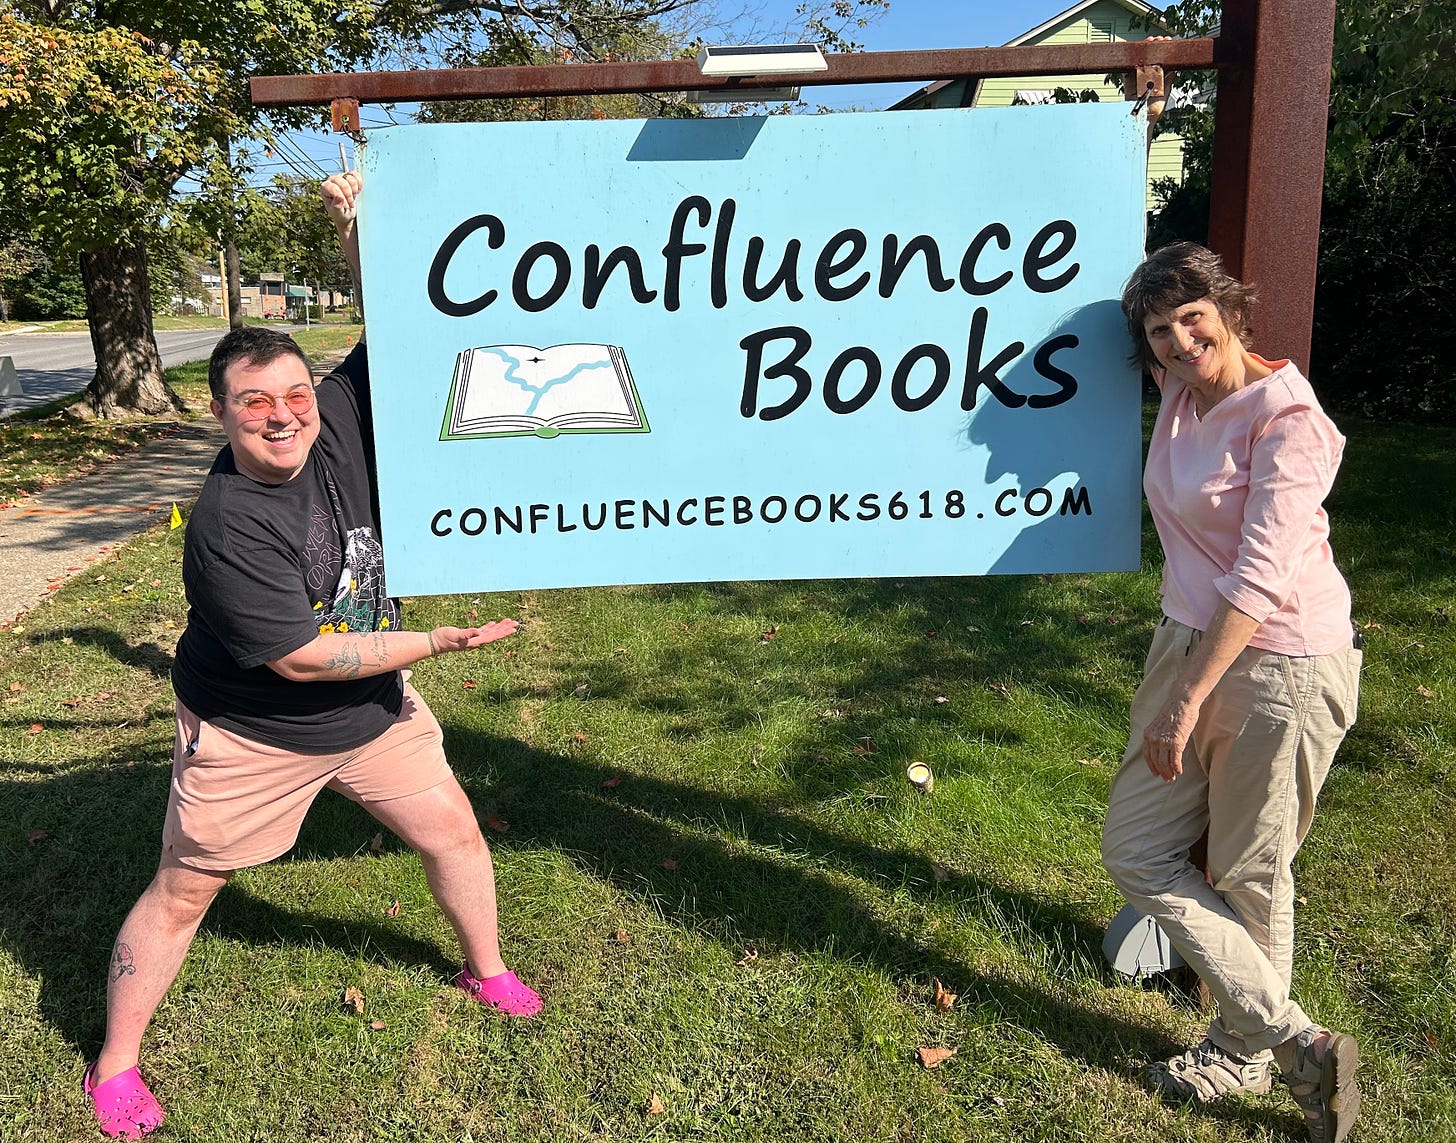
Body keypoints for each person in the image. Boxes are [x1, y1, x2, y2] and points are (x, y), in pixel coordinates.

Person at [83, 171, 540, 1140]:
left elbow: (407, 321)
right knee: (182, 892)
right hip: (254, 732)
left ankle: (486, 968)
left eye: (295, 393)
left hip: (374, 717)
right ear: (222, 414)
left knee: (453, 834)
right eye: (255, 404)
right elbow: (297, 660)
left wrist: (355, 230)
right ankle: (114, 1064)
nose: (284, 415)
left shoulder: (335, 420)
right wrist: (435, 642)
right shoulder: (225, 523)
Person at [1100, 242, 1363, 1143]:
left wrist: (1187, 700)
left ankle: (1241, 1051)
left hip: (1281, 663)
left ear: (1229, 308)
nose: (1177, 340)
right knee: (1136, 846)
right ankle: (1291, 1037)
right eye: (1158, 330)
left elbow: (1259, 578)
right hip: (1185, 643)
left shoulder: (1291, 423)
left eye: (1190, 318)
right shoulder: (1180, 394)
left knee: (1253, 868)